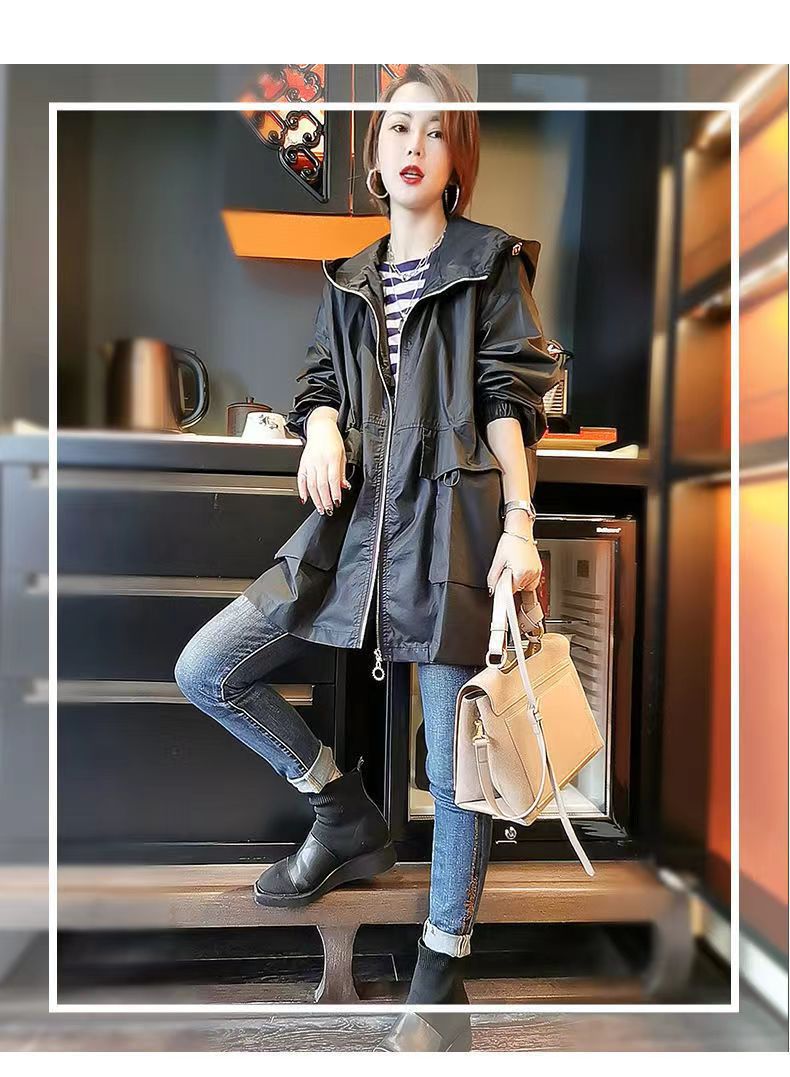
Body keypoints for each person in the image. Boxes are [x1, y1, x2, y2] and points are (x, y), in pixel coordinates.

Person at [174, 64, 564, 1051]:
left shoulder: (490, 263)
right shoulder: (346, 277)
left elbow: (508, 402)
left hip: (451, 523)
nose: (412, 144)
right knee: (207, 667)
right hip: (349, 529)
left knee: (454, 758)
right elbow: (319, 380)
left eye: (434, 131)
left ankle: (441, 978)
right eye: (397, 127)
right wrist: (317, 426)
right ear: (374, 153)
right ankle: (340, 808)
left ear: (456, 159)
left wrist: (520, 524)